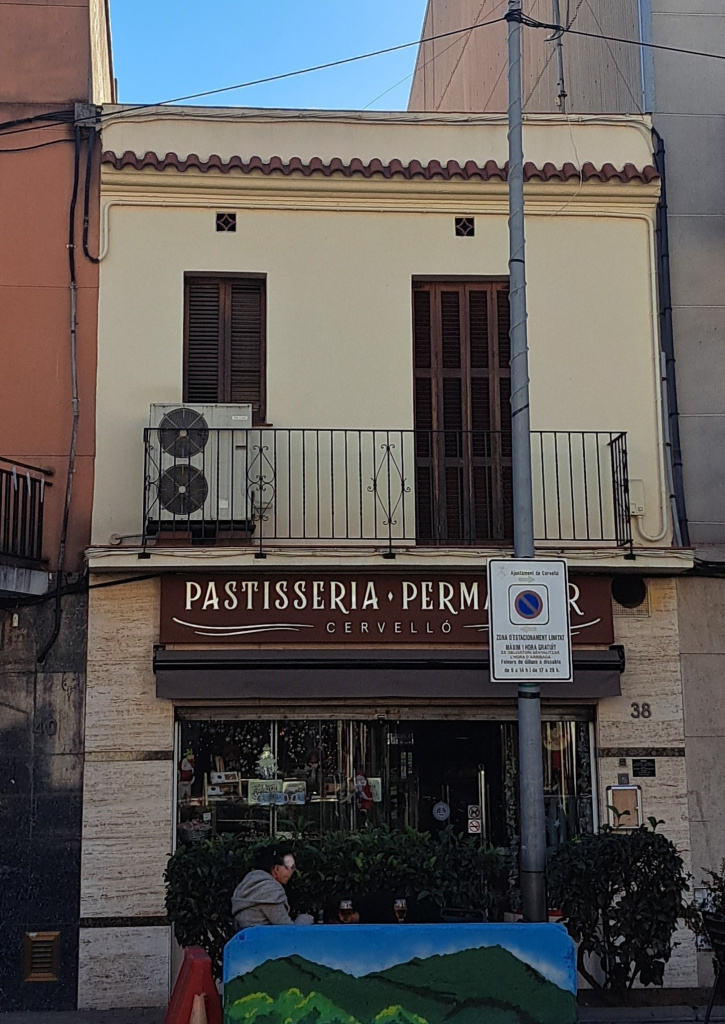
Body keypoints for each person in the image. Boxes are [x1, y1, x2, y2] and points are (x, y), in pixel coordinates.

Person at [231, 844, 314, 931]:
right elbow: (288, 931)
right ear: (276, 869)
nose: (292, 872)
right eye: (291, 867)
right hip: (263, 939)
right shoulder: (270, 891)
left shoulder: (247, 884)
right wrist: (306, 919)